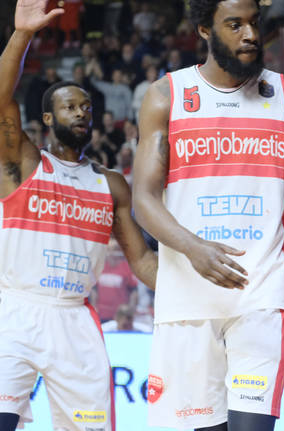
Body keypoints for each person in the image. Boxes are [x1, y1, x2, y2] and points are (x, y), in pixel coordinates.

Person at [131, 0, 284, 430]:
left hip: (261, 294)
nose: (251, 35)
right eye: (235, 25)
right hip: (188, 298)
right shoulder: (166, 95)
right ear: (205, 30)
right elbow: (143, 200)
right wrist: (194, 248)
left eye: (255, 23)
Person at [0, 1, 158, 431]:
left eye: (86, 107)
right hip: (15, 312)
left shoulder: (111, 184)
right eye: (70, 106)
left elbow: (142, 260)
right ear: (48, 118)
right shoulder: (25, 164)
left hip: (75, 319)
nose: (81, 113)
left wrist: (194, 283)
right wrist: (22, 34)